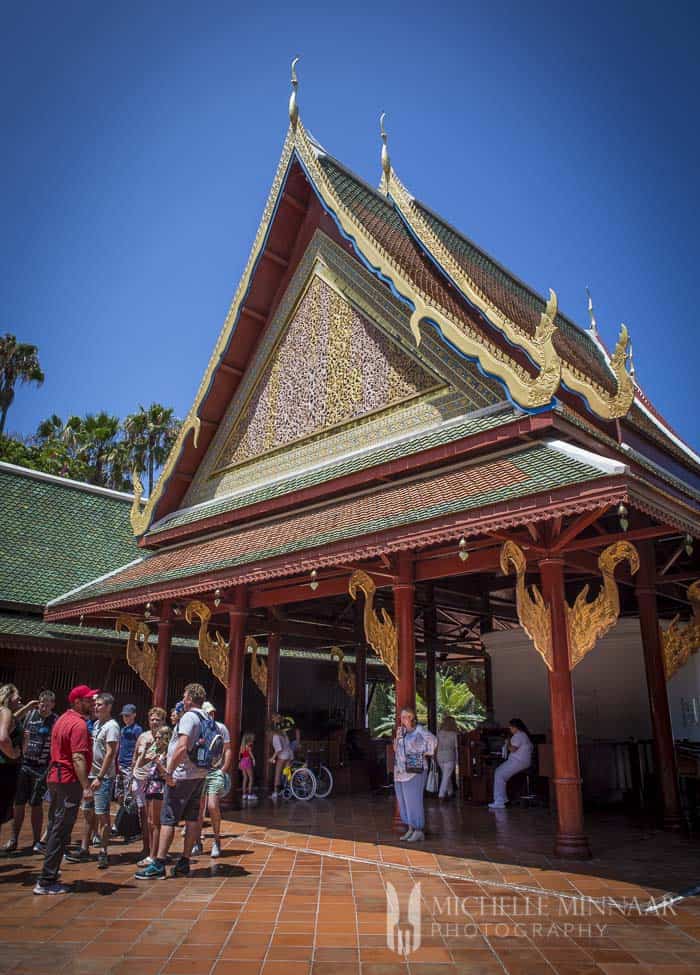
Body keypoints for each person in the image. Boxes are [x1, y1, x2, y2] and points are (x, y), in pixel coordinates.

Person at [135, 682, 210, 880]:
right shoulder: (206, 718)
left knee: (167, 818)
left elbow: (181, 747)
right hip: (199, 774)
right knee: (193, 818)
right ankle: (184, 862)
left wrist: (169, 771)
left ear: (189, 698)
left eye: (184, 696)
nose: (182, 699)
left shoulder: (189, 718)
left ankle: (158, 864)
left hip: (182, 775)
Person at [33, 685, 98, 895]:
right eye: (88, 700)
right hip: (69, 779)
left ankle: (49, 872)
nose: (92, 703)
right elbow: (78, 757)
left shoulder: (61, 719)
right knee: (61, 829)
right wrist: (85, 786)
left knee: (55, 825)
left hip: (56, 778)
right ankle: (46, 879)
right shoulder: (78, 725)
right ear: (77, 702)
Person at [68, 692, 119, 869]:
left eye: (100, 704)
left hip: (102, 777)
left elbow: (110, 753)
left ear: (109, 707)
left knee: (102, 814)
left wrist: (100, 776)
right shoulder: (96, 724)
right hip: (90, 775)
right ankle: (84, 848)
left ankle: (103, 851)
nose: (96, 707)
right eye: (95, 704)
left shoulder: (112, 726)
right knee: (87, 812)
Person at [6, 690, 57, 852]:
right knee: (18, 803)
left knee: (36, 804)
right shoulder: (30, 715)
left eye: (47, 705)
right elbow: (11, 719)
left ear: (53, 705)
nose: (44, 707)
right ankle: (13, 839)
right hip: (24, 765)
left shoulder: (55, 720)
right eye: (42, 704)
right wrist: (27, 707)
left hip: (42, 768)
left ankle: (37, 841)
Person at [0, 684, 39, 847]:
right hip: (5, 769)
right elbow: (3, 738)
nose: (20, 699)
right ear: (9, 697)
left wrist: (28, 706)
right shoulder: (5, 711)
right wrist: (13, 754)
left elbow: (13, 719)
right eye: (17, 696)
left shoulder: (4, 712)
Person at [192, 701, 231, 858]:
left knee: (212, 806)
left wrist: (223, 770)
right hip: (199, 771)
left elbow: (228, 750)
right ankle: (197, 842)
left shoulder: (221, 728)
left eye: (212, 712)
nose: (211, 715)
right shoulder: (197, 729)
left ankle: (216, 840)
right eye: (208, 713)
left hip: (215, 771)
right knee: (198, 810)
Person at [393, 707, 437, 843]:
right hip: (400, 770)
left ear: (412, 717)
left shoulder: (419, 730)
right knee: (404, 801)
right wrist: (397, 741)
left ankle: (418, 830)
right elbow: (397, 748)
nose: (404, 719)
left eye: (407, 716)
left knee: (414, 800)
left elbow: (433, 740)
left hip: (415, 769)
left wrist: (425, 752)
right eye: (402, 717)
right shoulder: (402, 732)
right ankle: (410, 828)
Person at [131, 707, 166, 860]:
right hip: (140, 780)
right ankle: (146, 847)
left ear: (163, 721)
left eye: (157, 719)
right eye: (152, 719)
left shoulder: (164, 739)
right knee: (143, 815)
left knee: (154, 818)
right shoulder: (143, 737)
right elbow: (135, 758)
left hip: (155, 782)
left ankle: (155, 850)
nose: (154, 722)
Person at [137, 725, 170, 867]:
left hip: (159, 787)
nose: (156, 739)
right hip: (149, 786)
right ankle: (151, 852)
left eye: (159, 737)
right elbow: (140, 764)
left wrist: (157, 761)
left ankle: (154, 855)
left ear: (166, 738)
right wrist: (145, 752)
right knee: (149, 822)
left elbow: (167, 772)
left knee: (156, 823)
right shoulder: (155, 749)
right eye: (155, 737)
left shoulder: (169, 752)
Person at [489, 718, 534, 810]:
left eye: (511, 727)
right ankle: (502, 799)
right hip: (522, 761)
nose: (510, 728)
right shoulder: (523, 735)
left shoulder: (518, 735)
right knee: (500, 773)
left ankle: (499, 801)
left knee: (499, 774)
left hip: (518, 761)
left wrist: (508, 741)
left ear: (515, 727)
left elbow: (513, 749)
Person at [115, 704, 143, 803]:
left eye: (128, 715)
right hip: (120, 765)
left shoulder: (137, 729)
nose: (125, 718)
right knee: (119, 791)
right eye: (124, 716)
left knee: (129, 792)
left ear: (134, 715)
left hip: (129, 765)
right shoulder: (123, 729)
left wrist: (135, 762)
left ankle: (127, 815)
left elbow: (140, 747)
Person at [269, 715, 293, 799]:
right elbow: (288, 743)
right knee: (287, 773)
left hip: (282, 756)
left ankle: (275, 792)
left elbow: (278, 749)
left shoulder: (275, 736)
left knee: (277, 773)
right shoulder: (283, 733)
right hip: (289, 754)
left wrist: (272, 758)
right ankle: (290, 788)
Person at [436, 715, 459, 800]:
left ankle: (450, 792)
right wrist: (457, 760)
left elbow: (436, 746)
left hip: (439, 756)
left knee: (446, 775)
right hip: (449, 756)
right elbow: (457, 748)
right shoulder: (454, 734)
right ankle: (441, 795)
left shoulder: (439, 733)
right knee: (446, 777)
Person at [239, 733, 256, 801]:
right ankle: (249, 794)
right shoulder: (249, 746)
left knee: (245, 778)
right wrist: (254, 760)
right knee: (251, 778)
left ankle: (244, 794)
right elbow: (250, 754)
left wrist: (239, 762)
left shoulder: (242, 746)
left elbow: (239, 755)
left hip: (242, 761)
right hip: (247, 761)